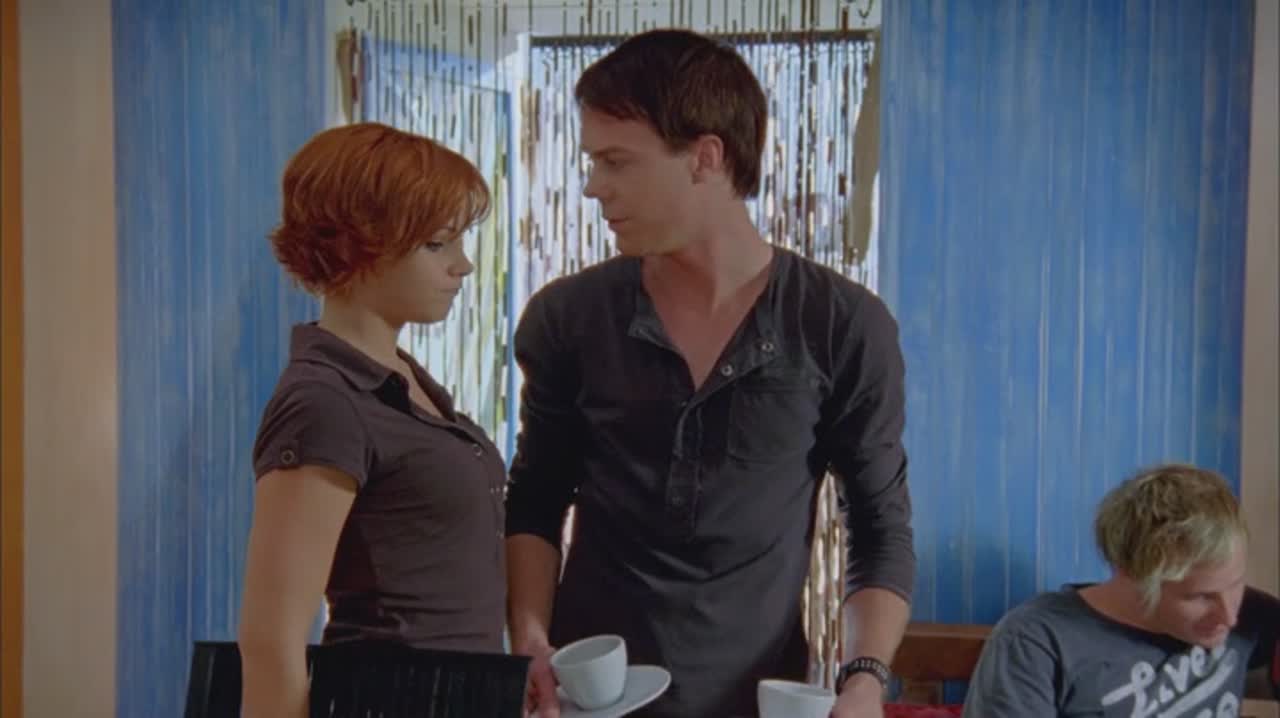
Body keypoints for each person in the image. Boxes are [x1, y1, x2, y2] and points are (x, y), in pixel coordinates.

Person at [504, 29, 915, 718]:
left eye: (616, 161)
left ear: (706, 157)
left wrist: (865, 678)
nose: (592, 186)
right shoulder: (568, 317)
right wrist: (529, 638)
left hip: (758, 697)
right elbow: (536, 499)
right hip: (587, 700)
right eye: (591, 161)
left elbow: (879, 525)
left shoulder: (841, 324)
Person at [236, 122, 509, 718]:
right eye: (437, 244)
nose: (463, 265)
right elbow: (271, 639)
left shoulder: (402, 380)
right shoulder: (324, 401)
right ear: (358, 244)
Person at [963, 463, 1280, 717]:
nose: (1230, 616)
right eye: (1200, 597)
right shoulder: (1036, 640)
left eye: (1236, 584)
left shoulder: (1253, 616)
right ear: (1134, 577)